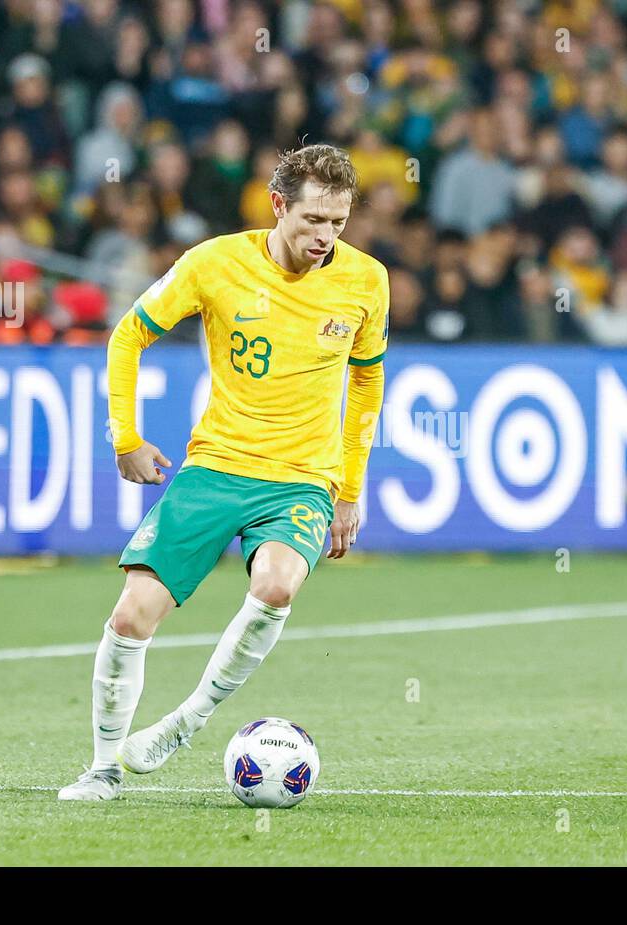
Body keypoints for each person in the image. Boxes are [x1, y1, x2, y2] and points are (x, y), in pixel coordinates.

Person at [58, 144, 388, 800]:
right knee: (130, 618)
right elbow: (128, 335)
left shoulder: (367, 280)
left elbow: (368, 383)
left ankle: (190, 719)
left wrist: (349, 490)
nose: (325, 237)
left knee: (276, 586)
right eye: (313, 220)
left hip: (301, 478)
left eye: (338, 223)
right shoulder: (214, 263)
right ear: (277, 206)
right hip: (215, 468)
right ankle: (101, 768)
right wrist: (125, 438)